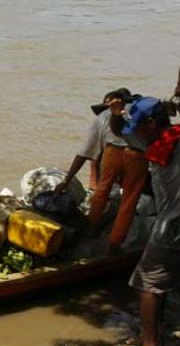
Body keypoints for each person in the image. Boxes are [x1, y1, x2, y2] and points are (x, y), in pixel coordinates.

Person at [108, 96, 180, 346]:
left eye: (136, 125)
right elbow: (120, 131)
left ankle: (150, 344)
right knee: (171, 281)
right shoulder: (164, 139)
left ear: (150, 123)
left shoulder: (178, 144)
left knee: (147, 282)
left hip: (173, 225)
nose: (133, 132)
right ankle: (160, 330)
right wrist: (117, 114)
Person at [55, 88, 147, 253]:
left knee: (102, 190)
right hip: (135, 154)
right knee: (130, 199)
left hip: (113, 153)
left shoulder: (102, 117)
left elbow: (84, 153)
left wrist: (66, 180)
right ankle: (115, 241)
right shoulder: (138, 112)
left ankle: (91, 227)